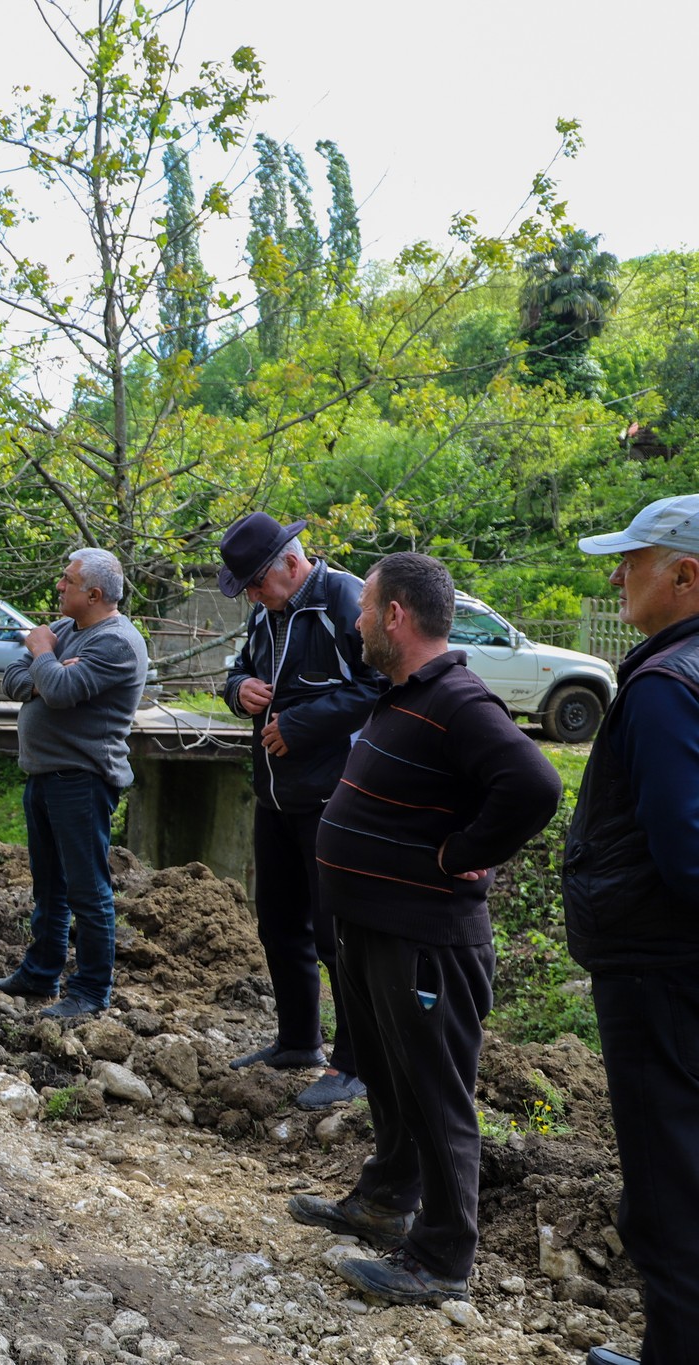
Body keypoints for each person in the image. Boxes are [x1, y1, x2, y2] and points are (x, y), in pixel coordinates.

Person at [290, 552, 560, 1305]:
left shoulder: (459, 700)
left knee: (436, 1093)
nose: (355, 621)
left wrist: (464, 853)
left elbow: (534, 784)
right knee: (387, 1074)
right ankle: (385, 1200)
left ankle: (442, 1259)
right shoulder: (405, 694)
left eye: (364, 608)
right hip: (374, 925)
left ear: (395, 615)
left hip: (426, 938)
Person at [565, 496, 699, 1365]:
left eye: (633, 560)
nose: (618, 575)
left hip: (659, 969)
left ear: (685, 574)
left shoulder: (663, 688)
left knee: (667, 1183)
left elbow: (686, 850)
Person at [217, 513, 384, 1109]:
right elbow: (241, 669)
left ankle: (355, 1063)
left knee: (336, 935)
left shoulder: (346, 600)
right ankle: (297, 1041)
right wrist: (238, 691)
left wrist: (303, 723)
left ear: (291, 563)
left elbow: (380, 686)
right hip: (275, 793)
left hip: (333, 798)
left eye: (255, 584)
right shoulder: (267, 610)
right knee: (279, 923)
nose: (252, 597)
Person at [0, 548, 148, 1019]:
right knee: (49, 885)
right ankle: (41, 972)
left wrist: (43, 656)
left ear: (93, 594)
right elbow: (13, 679)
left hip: (82, 780)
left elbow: (59, 690)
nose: (58, 586)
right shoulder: (67, 630)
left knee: (87, 890)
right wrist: (46, 671)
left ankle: (91, 991)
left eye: (67, 580)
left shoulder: (117, 642)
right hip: (45, 774)